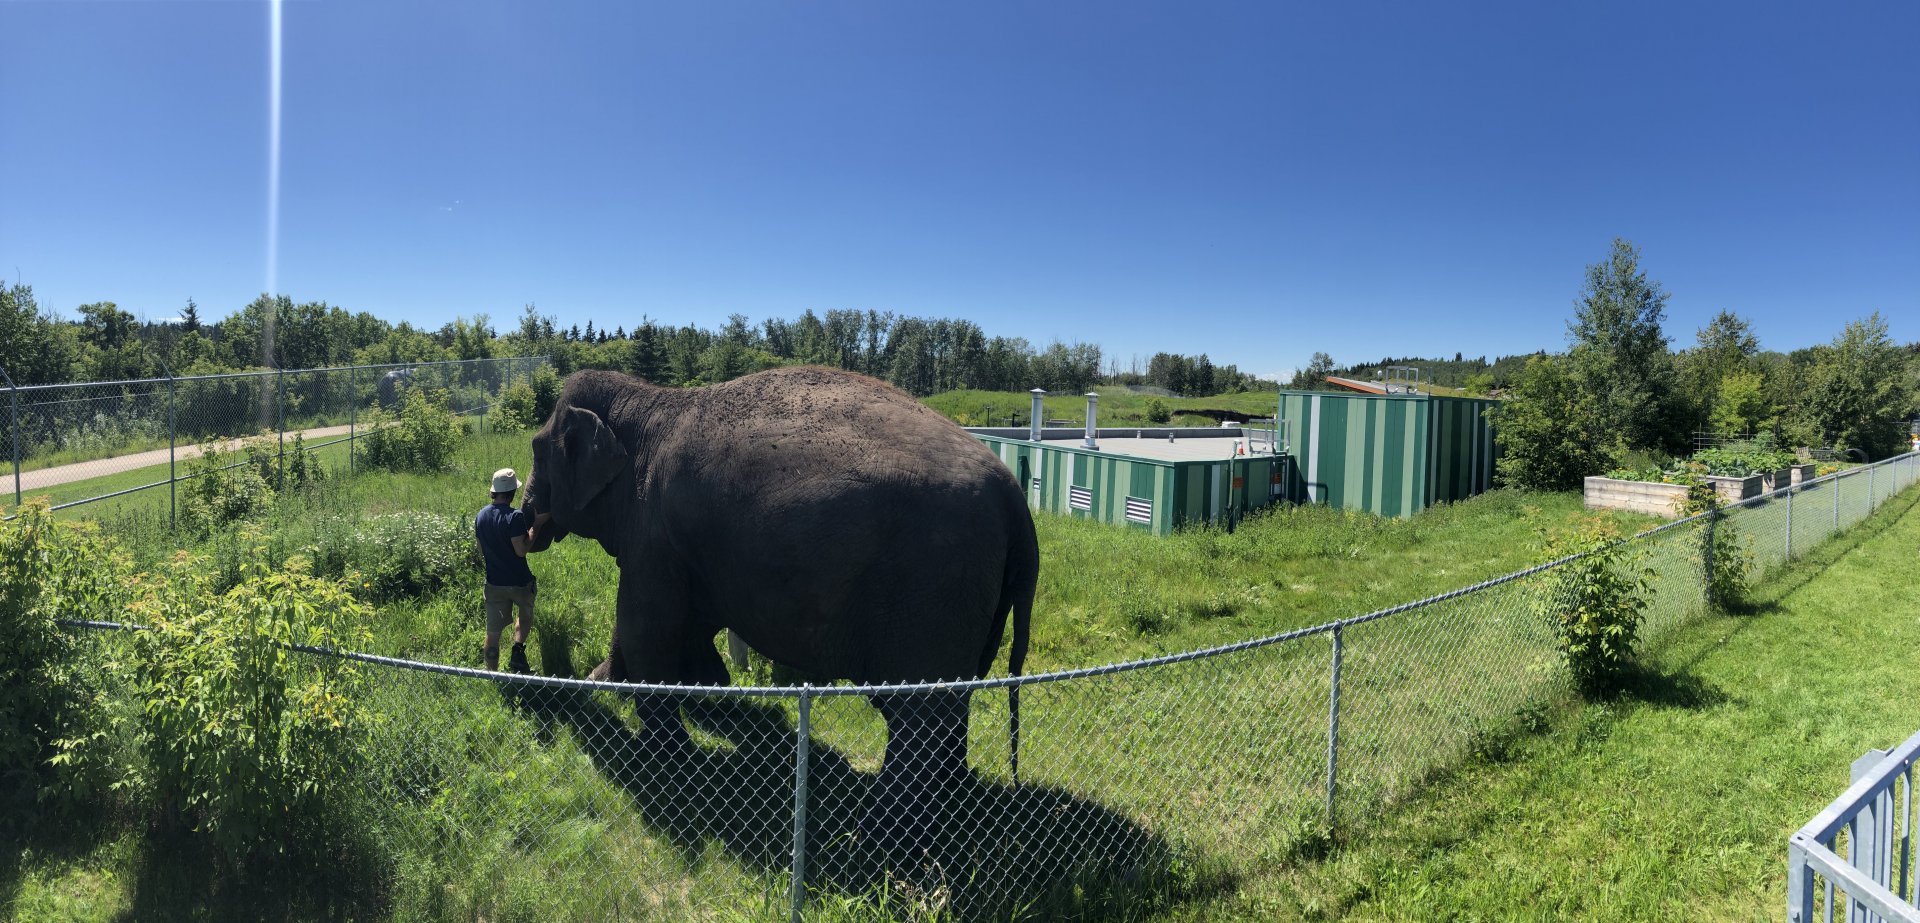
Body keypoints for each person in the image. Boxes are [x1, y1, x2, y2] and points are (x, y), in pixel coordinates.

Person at [475, 467, 544, 673]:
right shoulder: (515, 516)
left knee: (492, 634)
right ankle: (517, 650)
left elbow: (481, 550)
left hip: (494, 583)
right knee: (524, 614)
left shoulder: (481, 516)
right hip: (520, 582)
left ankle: (492, 675)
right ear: (512, 493)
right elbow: (521, 550)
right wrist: (537, 525)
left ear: (494, 491)